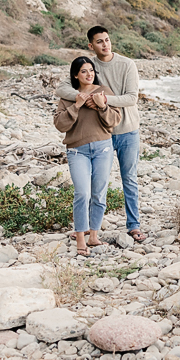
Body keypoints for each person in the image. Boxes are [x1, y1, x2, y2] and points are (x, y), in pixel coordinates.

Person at [55, 26, 146, 242]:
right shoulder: (89, 66)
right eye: (99, 41)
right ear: (91, 45)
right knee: (92, 184)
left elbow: (131, 98)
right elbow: (61, 89)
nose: (105, 44)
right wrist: (83, 97)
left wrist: (102, 99)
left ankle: (133, 225)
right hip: (98, 133)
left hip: (126, 129)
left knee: (129, 178)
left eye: (107, 40)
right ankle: (85, 227)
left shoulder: (126, 64)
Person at [54, 57, 122, 256]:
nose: (89, 74)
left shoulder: (104, 92)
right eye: (83, 71)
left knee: (99, 193)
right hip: (77, 150)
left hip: (103, 148)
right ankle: (80, 239)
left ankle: (94, 236)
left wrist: (102, 106)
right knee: (82, 193)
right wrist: (76, 106)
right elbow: (60, 125)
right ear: (76, 75)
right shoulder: (68, 97)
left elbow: (115, 121)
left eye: (91, 70)